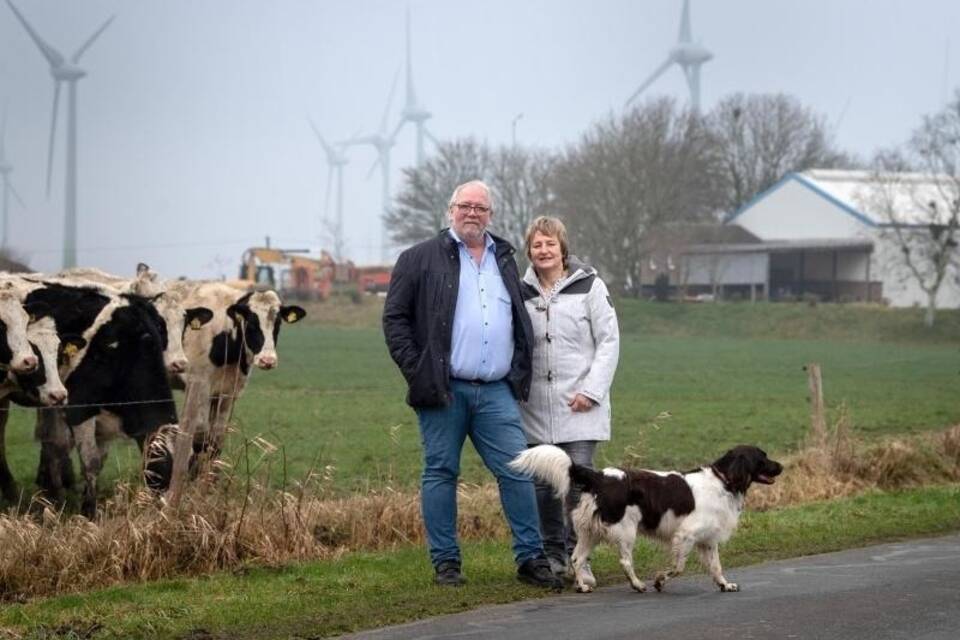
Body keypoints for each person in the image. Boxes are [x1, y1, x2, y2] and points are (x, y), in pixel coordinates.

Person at [382, 180, 563, 589]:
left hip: (496, 389)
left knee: (518, 470)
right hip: (442, 388)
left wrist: (517, 367)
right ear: (451, 210)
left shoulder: (504, 259)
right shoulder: (418, 258)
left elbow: (517, 319)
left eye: (480, 208)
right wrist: (419, 369)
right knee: (441, 472)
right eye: (465, 206)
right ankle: (446, 563)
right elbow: (395, 320)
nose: (472, 213)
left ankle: (531, 559)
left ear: (491, 216)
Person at [518, 215, 620, 578]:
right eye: (536, 244)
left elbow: (609, 341)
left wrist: (591, 392)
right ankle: (553, 554)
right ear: (529, 251)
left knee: (578, 489)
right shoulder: (521, 291)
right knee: (544, 486)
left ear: (563, 248)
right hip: (535, 410)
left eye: (550, 243)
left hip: (580, 406)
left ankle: (581, 557)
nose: (544, 250)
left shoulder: (590, 286)